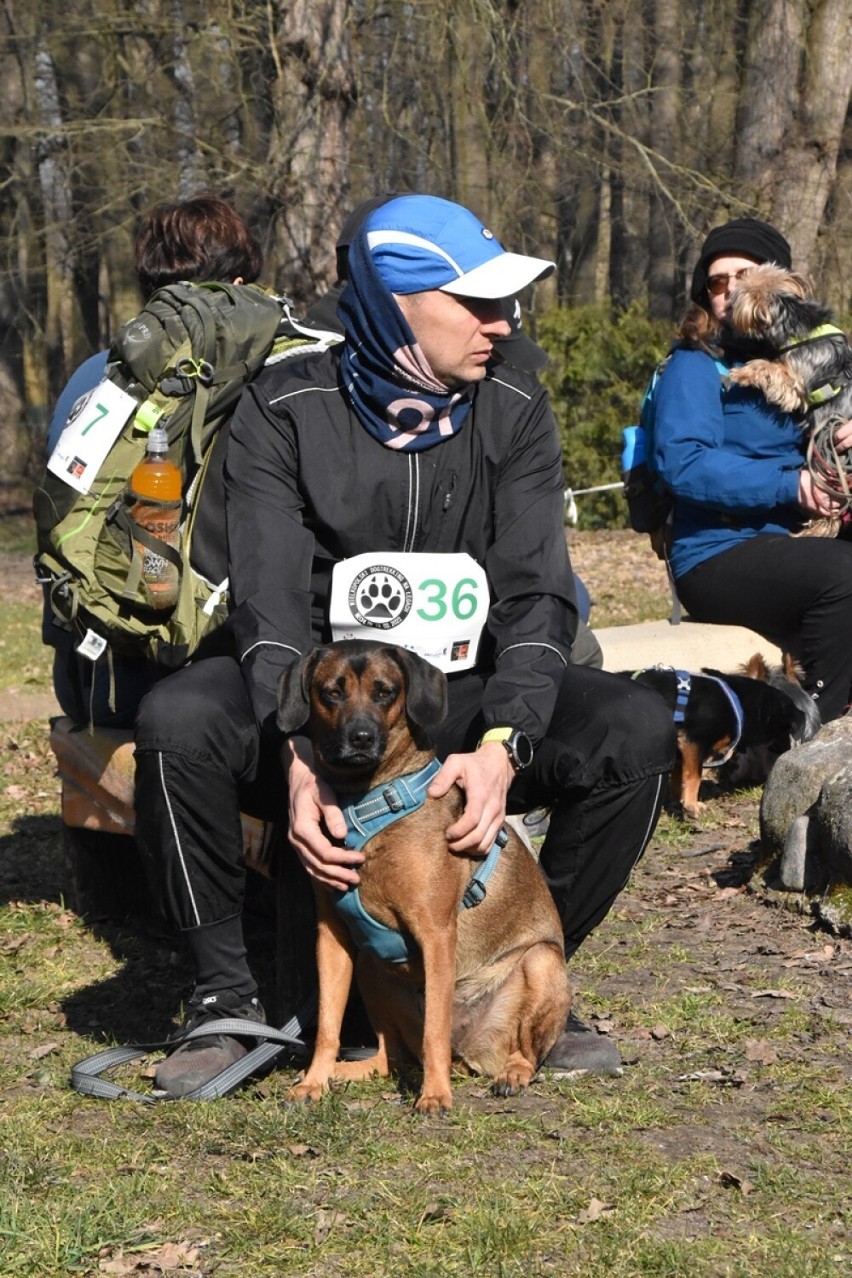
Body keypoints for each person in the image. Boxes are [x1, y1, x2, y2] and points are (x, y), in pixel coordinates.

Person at [133, 194, 675, 1098]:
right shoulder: (285, 408)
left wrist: (504, 744)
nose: (504, 326)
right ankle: (225, 997)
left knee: (638, 733)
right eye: (478, 304)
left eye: (508, 305)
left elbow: (540, 597)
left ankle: (513, 979)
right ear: (392, 303)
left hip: (455, 699)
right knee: (176, 718)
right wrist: (299, 749)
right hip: (320, 698)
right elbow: (266, 610)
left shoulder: (514, 408)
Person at [43, 194, 265, 727]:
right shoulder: (266, 381)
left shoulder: (96, 376)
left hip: (91, 680)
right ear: (236, 290)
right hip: (203, 690)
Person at [651, 217, 852, 722]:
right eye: (717, 282)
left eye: (743, 276)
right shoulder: (693, 366)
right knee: (844, 573)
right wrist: (793, 485)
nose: (729, 290)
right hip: (717, 552)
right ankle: (822, 728)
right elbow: (685, 465)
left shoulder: (808, 360)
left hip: (794, 539)